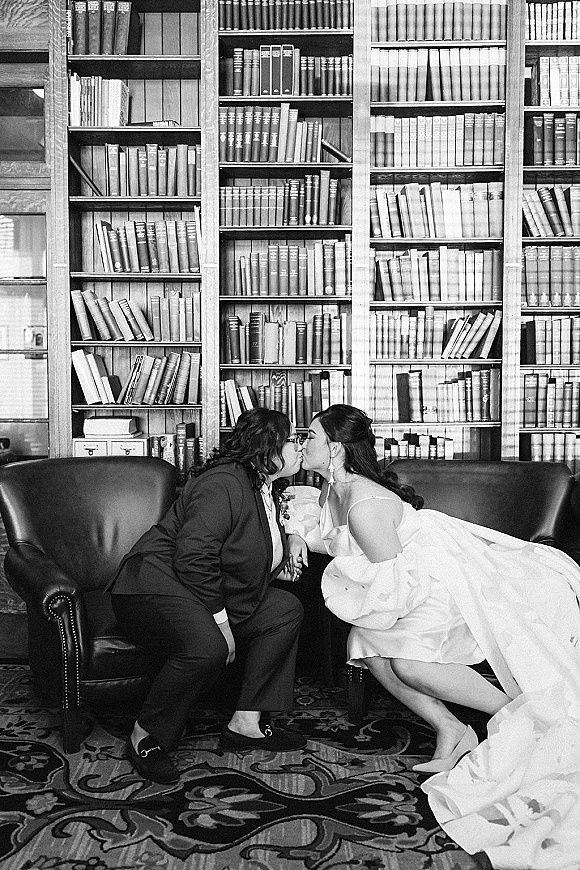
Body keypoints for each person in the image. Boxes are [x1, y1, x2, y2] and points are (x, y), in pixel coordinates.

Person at [287, 403, 580, 868]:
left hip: (437, 588)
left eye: (310, 438)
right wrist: (300, 536)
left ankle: (522, 719)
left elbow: (396, 585)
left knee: (405, 661)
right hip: (405, 586)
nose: (302, 445)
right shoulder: (333, 488)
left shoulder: (364, 503)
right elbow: (332, 539)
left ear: (335, 448)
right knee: (366, 648)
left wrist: (356, 597)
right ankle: (453, 731)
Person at [109, 408, 306, 786]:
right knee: (209, 648)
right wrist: (223, 627)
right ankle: (145, 734)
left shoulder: (264, 486)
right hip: (153, 584)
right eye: (291, 440)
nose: (298, 447)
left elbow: (238, 550)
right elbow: (194, 557)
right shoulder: (224, 483)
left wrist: (283, 556)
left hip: (193, 587)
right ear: (267, 449)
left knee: (285, 609)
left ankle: (246, 721)